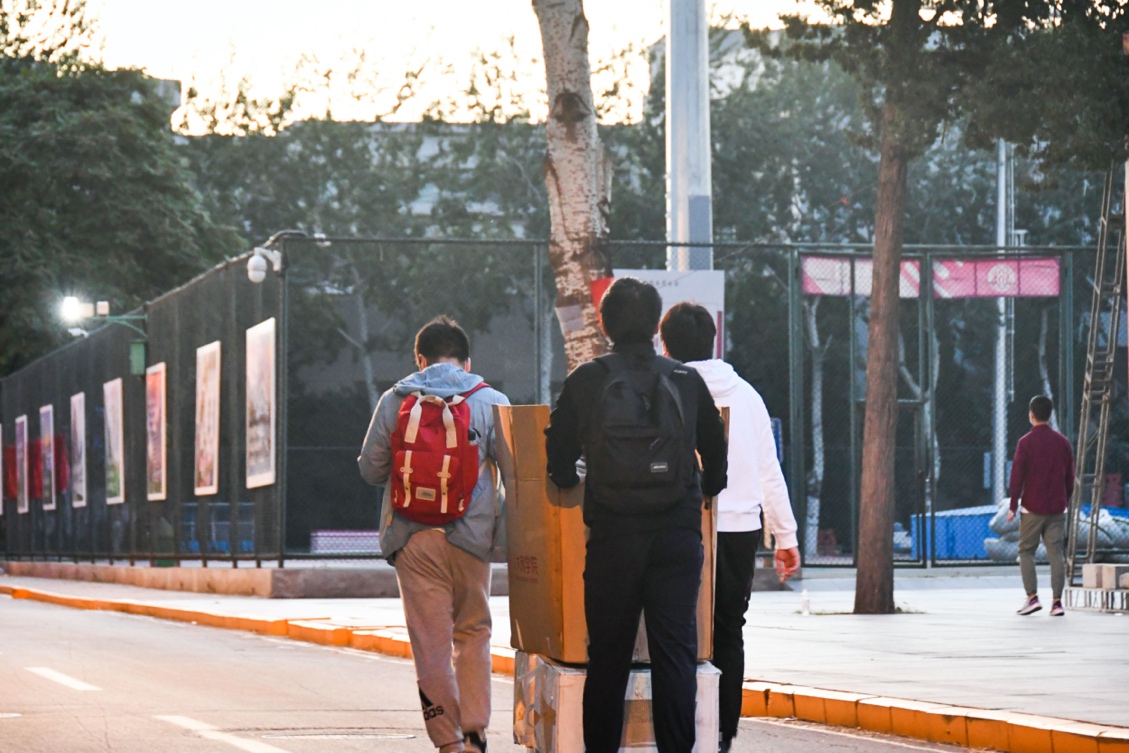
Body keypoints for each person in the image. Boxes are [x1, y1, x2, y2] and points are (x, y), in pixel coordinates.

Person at [544, 278, 728, 753]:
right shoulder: (685, 379)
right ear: (655, 328)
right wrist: (708, 487)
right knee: (675, 655)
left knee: (608, 657)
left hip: (613, 536)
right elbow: (715, 447)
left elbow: (557, 452)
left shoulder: (587, 379)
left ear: (604, 324)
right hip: (676, 536)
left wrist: (566, 478)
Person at [358, 316, 510, 753]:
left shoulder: (394, 400)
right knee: (474, 630)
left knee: (430, 646)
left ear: (420, 360)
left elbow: (370, 469)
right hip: (472, 538)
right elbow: (517, 472)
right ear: (467, 361)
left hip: (412, 538)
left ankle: (448, 742)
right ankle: (476, 731)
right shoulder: (491, 401)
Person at [659, 302, 801, 753]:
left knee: (673, 629)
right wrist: (785, 537)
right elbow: (769, 471)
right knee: (728, 630)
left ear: (665, 345)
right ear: (713, 341)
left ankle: (679, 729)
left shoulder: (664, 389)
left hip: (678, 524)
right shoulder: (748, 396)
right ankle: (722, 732)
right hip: (739, 529)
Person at [1007, 394, 1074, 617]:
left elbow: (1017, 476)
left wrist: (1013, 505)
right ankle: (1057, 602)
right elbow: (1070, 477)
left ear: (1031, 415)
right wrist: (1065, 500)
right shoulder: (1063, 442)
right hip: (1057, 507)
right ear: (1050, 414)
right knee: (1056, 554)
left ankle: (1032, 597)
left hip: (1032, 507)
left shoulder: (1025, 443)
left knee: (1026, 551)